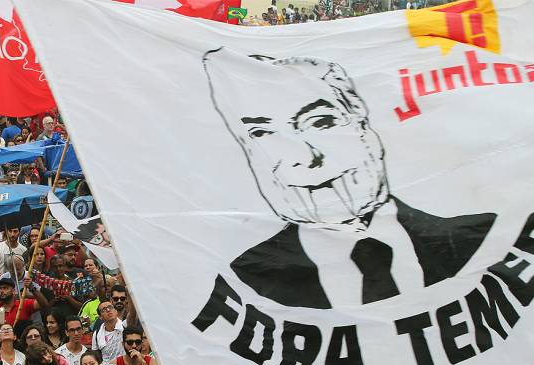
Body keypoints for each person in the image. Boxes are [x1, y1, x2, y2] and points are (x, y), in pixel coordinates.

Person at [203, 51, 496, 309]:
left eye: (320, 122)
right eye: (261, 133)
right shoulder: (240, 285)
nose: (304, 157)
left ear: (363, 124)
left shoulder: (487, 242)